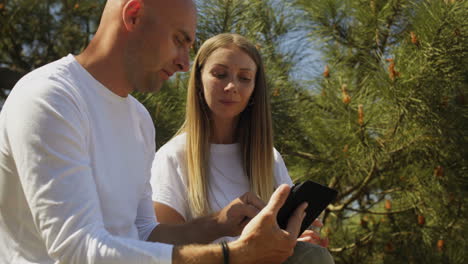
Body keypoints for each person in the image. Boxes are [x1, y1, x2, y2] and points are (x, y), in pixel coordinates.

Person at [0, 0, 308, 263]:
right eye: (178, 40)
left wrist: (217, 224)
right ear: (133, 14)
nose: (185, 64)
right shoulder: (50, 97)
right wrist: (232, 255)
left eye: (189, 46)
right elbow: (78, 249)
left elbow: (146, 233)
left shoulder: (139, 119)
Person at [151, 33, 334, 263]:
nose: (231, 86)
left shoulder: (269, 158)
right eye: (220, 74)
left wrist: (292, 242)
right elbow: (161, 252)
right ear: (198, 80)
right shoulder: (172, 157)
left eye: (245, 78)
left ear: (255, 88)